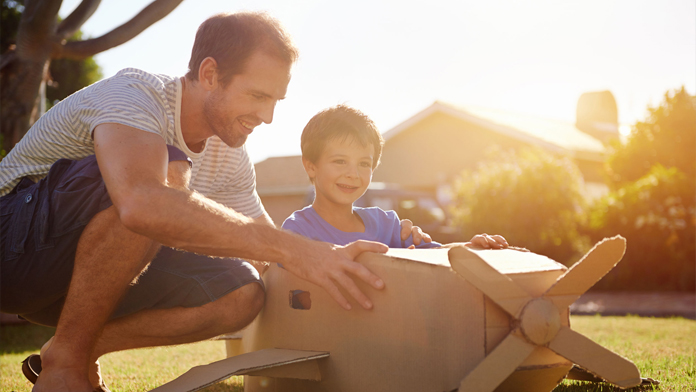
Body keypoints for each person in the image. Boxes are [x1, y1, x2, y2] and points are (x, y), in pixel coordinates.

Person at [0, 13, 425, 392]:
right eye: (258, 96)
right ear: (209, 74)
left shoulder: (229, 153)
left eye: (276, 100)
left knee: (241, 289)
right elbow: (141, 203)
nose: (269, 116)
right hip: (12, 250)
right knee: (160, 179)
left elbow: (267, 252)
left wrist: (363, 261)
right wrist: (297, 248)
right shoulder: (135, 95)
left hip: (76, 283)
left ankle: (67, 350)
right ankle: (66, 371)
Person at [281, 105, 509, 250]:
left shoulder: (386, 224)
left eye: (364, 163)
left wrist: (469, 247)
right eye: (340, 161)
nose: (353, 173)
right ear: (311, 166)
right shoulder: (297, 232)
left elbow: (438, 255)